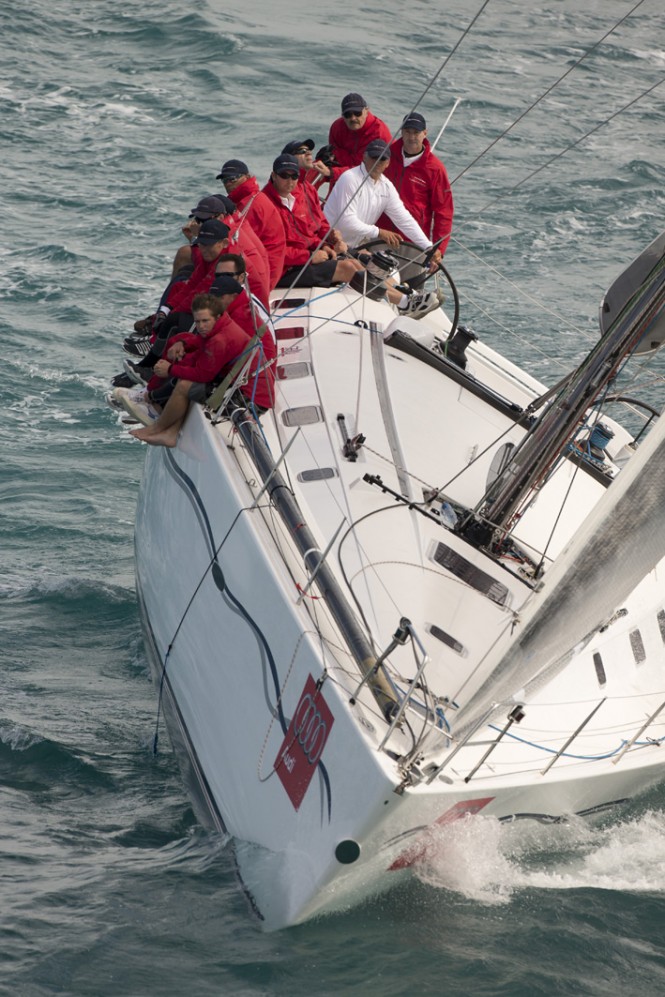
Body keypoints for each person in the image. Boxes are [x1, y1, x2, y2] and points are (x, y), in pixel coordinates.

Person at [125, 286, 274, 447]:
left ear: (216, 317)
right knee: (187, 378)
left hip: (251, 399)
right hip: (239, 383)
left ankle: (157, 427)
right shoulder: (221, 326)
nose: (201, 326)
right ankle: (170, 430)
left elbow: (203, 376)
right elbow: (200, 345)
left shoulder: (220, 339)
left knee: (185, 386)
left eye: (205, 321)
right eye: (197, 321)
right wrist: (183, 343)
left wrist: (169, 369)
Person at [323, 140, 442, 317]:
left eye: (382, 159)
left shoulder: (386, 187)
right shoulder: (350, 178)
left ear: (388, 163)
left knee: (386, 269)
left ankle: (406, 299)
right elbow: (347, 220)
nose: (377, 162)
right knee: (365, 270)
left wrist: (428, 247)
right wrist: (379, 232)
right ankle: (404, 302)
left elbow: (404, 219)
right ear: (364, 157)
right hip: (328, 244)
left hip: (351, 247)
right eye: (373, 157)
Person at [262, 154, 364, 288]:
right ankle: (398, 300)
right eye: (284, 175)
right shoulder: (266, 205)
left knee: (356, 263)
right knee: (348, 267)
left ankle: (394, 297)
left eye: (294, 176)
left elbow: (305, 236)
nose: (290, 181)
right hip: (283, 270)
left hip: (301, 260)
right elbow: (273, 250)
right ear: (274, 175)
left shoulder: (291, 201)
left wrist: (324, 246)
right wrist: (309, 256)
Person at [379, 112, 454, 256]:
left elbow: (443, 212)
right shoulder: (386, 155)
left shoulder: (435, 168)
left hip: (412, 243)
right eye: (407, 132)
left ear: (425, 133)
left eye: (416, 132)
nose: (411, 137)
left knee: (409, 279)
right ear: (401, 131)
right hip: (381, 235)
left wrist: (439, 249)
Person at [217, 159, 286, 289]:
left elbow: (242, 246)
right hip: (268, 269)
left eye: (233, 178)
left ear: (247, 177)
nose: (228, 183)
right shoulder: (251, 198)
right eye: (225, 180)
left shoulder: (250, 205)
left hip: (264, 277)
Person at [324, 93, 392, 186]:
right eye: (348, 114)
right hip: (342, 176)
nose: (353, 118)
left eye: (357, 113)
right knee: (317, 164)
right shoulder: (337, 127)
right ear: (343, 116)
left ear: (366, 111)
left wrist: (333, 172)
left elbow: (368, 169)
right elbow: (333, 156)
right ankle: (301, 195)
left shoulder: (379, 132)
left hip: (371, 181)